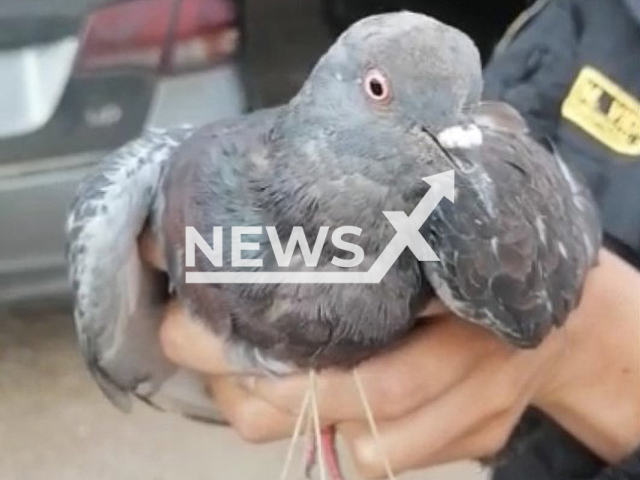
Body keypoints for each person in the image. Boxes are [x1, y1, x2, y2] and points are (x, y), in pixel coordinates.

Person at [152, 0, 640, 478]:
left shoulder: (467, 198)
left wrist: (580, 351)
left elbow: (494, 162)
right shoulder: (583, 17)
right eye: (379, 89)